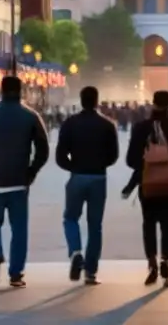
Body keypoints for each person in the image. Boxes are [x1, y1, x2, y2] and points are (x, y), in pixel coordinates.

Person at [0, 75, 50, 288]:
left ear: (1, 90)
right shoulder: (31, 116)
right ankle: (16, 274)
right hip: (19, 180)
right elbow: (44, 149)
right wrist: (31, 171)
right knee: (19, 228)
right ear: (21, 90)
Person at [123, 90, 168, 288]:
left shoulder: (140, 128)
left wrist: (148, 167)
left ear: (153, 103)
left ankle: (152, 263)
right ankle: (166, 261)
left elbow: (131, 160)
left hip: (147, 185)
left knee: (148, 224)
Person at [56, 86, 119, 285]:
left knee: (70, 217)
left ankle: (75, 251)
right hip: (98, 178)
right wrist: (100, 164)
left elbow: (60, 155)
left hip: (77, 176)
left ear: (81, 101)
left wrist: (73, 166)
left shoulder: (70, 123)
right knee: (95, 225)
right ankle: (91, 271)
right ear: (97, 101)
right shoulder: (107, 125)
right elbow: (114, 156)